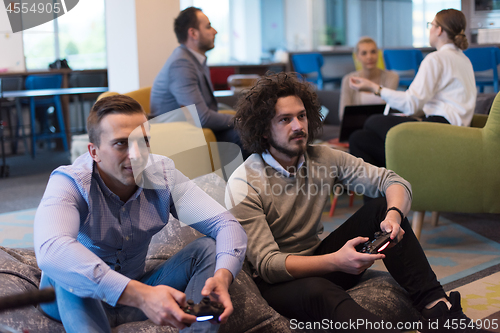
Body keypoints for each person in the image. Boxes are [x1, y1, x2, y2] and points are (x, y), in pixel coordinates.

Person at [225, 72, 489, 333]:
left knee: (381, 208)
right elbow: (270, 266)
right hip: (277, 282)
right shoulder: (245, 183)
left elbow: (394, 181)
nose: (298, 126)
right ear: (263, 131)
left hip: (319, 257)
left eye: (302, 116)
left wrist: (394, 217)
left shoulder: (323, 158)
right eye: (285, 119)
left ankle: (439, 312)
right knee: (320, 291)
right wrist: (336, 261)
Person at [34, 95, 247, 333]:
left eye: (143, 141)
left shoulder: (163, 175)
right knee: (67, 267)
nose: (136, 154)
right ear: (94, 152)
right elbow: (51, 248)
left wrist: (223, 277)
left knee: (207, 248)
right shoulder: (70, 182)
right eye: (121, 143)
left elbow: (226, 224)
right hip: (79, 299)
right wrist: (142, 296)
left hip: (138, 291)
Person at [348, 8, 476, 168]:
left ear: (439, 30)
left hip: (440, 130)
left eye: (431, 25)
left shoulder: (435, 59)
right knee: (359, 139)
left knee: (372, 122)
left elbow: (411, 104)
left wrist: (375, 88)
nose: (430, 29)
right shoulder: (465, 60)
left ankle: (397, 177)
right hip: (457, 132)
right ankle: (389, 185)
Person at [150, 7, 246, 157]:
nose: (215, 31)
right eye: (208, 26)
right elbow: (202, 118)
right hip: (179, 135)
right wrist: (243, 120)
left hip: (195, 128)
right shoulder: (182, 63)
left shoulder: (193, 59)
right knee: (246, 135)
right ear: (193, 33)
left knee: (248, 130)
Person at [339, 36, 399, 121]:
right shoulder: (348, 80)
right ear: (357, 57)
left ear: (378, 54)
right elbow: (343, 115)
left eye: (373, 52)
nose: (369, 57)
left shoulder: (392, 77)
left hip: (381, 124)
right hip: (356, 126)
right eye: (364, 53)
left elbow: (388, 110)